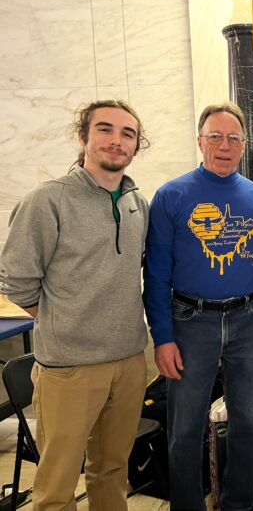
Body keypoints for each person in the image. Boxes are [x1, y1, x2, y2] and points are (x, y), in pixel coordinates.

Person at [0, 100, 150, 510]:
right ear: (82, 135)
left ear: (137, 146)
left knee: (112, 472)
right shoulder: (47, 201)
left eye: (127, 134)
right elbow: (17, 282)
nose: (116, 141)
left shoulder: (139, 204)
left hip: (129, 361)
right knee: (56, 484)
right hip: (69, 368)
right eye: (105, 129)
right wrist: (65, 322)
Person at [143, 102, 253, 511]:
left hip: (251, 319)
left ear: (244, 145)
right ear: (200, 141)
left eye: (234, 138)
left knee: (248, 424)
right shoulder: (171, 196)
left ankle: (237, 504)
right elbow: (156, 274)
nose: (225, 145)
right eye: (215, 136)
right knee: (184, 430)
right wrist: (162, 338)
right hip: (190, 321)